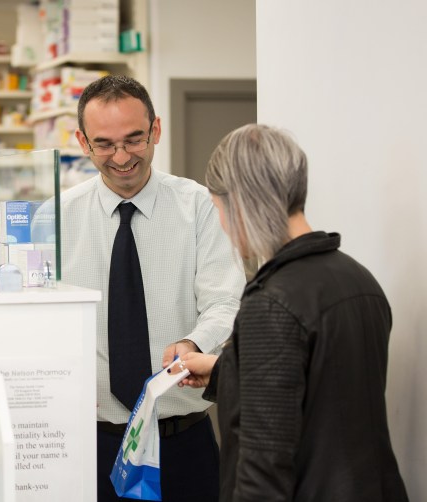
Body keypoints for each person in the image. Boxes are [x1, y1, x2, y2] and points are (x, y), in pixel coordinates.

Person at [171, 124, 409, 501]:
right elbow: (321, 388)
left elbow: (264, 467)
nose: (223, 225)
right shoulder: (357, 280)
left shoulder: (272, 303)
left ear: (242, 201)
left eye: (219, 209)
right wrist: (223, 369)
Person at [61, 75, 245, 501]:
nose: (121, 156)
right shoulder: (56, 218)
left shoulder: (200, 206)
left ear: (156, 130)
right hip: (90, 444)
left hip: (182, 442)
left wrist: (193, 342)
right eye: (104, 143)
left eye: (134, 139)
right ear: (83, 141)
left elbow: (225, 301)